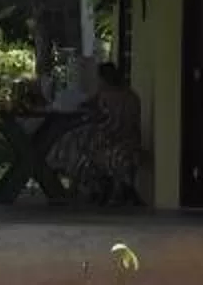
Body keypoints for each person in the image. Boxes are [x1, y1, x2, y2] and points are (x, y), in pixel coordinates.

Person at [45, 62, 143, 205]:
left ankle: (80, 185)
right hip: (130, 140)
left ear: (103, 79)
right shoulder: (132, 95)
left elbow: (95, 114)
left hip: (110, 141)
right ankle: (90, 186)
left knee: (74, 143)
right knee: (81, 142)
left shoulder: (106, 96)